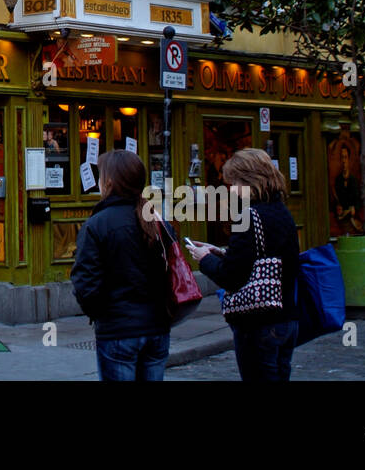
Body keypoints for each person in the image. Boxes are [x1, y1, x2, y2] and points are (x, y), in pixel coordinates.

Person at [187, 148, 300, 382]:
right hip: (286, 316)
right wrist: (218, 251)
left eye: (234, 182)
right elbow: (264, 256)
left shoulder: (248, 217)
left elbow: (230, 276)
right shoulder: (282, 213)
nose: (232, 189)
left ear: (247, 181)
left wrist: (204, 258)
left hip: (257, 322)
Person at [70, 151, 171, 381]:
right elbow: (171, 272)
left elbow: (85, 282)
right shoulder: (157, 221)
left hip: (118, 329)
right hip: (156, 327)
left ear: (109, 181)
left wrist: (100, 315)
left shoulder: (98, 224)